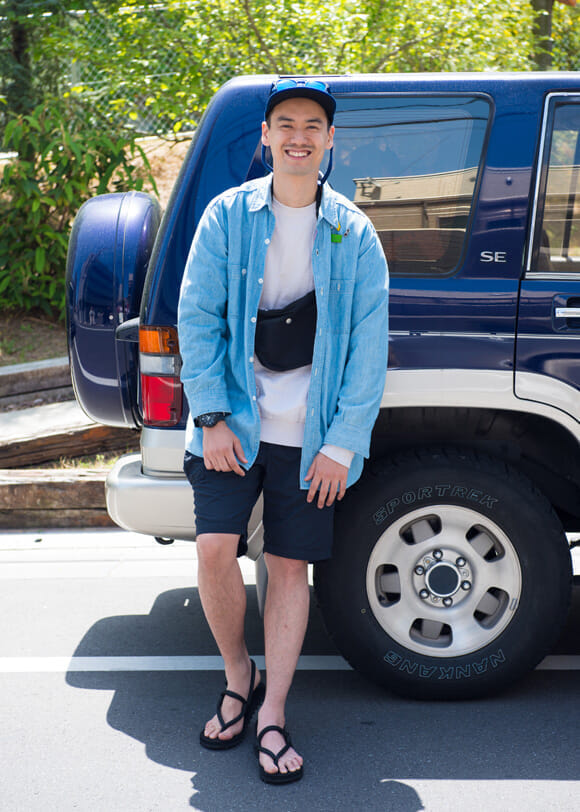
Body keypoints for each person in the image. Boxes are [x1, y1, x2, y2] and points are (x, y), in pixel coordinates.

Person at [178, 78, 389, 785]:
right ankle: (238, 675)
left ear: (330, 140)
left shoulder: (353, 231)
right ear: (266, 136)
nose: (299, 136)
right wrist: (210, 417)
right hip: (232, 423)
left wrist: (341, 443)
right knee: (215, 550)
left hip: (312, 433)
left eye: (313, 126)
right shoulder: (227, 216)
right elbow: (197, 318)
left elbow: (368, 345)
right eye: (286, 124)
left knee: (289, 567)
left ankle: (272, 711)